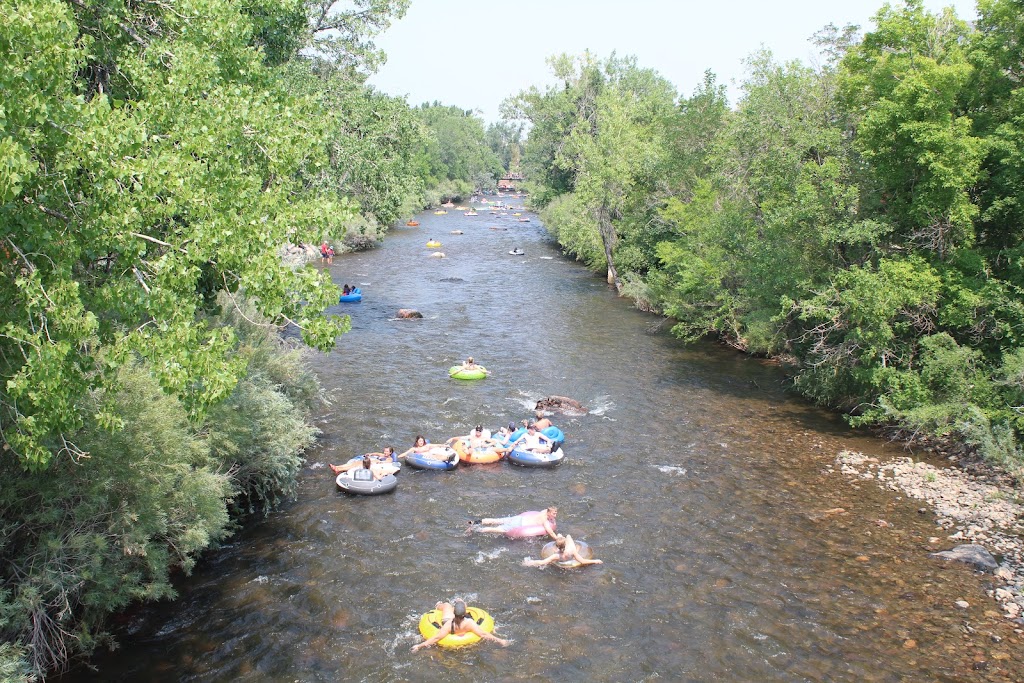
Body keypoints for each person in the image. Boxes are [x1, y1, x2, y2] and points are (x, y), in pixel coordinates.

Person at [410, 600, 509, 652]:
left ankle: (438, 605)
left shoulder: (449, 625)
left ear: (454, 613)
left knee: (447, 605)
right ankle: (461, 602)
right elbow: (483, 634)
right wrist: (500, 641)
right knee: (462, 605)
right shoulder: (469, 623)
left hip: (450, 622)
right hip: (461, 622)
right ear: (465, 614)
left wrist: (419, 646)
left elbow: (436, 638)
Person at [467, 507, 558, 539]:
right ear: (549, 513)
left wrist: (552, 518)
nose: (555, 515)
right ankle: (475, 530)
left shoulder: (544, 511)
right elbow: (550, 532)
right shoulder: (545, 521)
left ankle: (473, 522)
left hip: (518, 518)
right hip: (518, 525)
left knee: (496, 520)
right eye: (554, 513)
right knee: (495, 529)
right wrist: (558, 538)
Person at [523, 534, 603, 568]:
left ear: (556, 548)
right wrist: (596, 561)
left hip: (562, 553)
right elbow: (583, 561)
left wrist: (530, 562)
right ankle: (562, 537)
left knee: (561, 537)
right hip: (570, 551)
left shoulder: (556, 556)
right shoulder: (572, 551)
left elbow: (542, 562)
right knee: (568, 536)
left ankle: (560, 536)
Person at [330, 447, 398, 475]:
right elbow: (376, 453)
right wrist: (370, 454)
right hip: (371, 461)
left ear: (390, 453)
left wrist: (379, 462)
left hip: (374, 464)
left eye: (387, 451)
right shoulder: (382, 455)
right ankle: (337, 467)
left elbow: (386, 462)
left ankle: (339, 469)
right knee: (355, 463)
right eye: (384, 451)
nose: (385, 452)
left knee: (356, 464)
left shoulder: (390, 458)